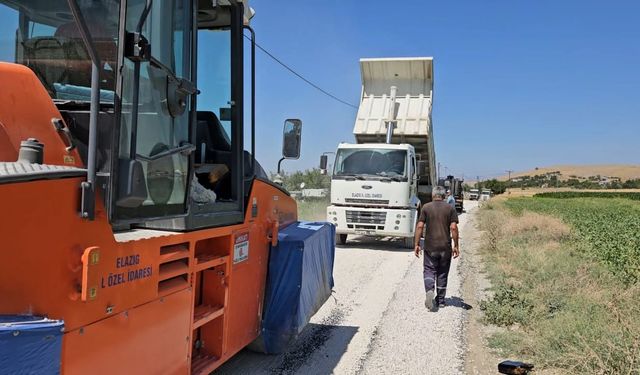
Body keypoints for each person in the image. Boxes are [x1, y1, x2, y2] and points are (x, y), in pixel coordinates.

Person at [414, 186, 459, 311]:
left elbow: (419, 226)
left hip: (430, 246)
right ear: (444, 196)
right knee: (442, 273)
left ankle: (429, 290)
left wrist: (417, 244)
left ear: (432, 195)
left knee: (429, 270)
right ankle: (441, 301)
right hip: (445, 247)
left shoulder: (426, 207)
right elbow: (454, 228)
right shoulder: (450, 208)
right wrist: (456, 246)